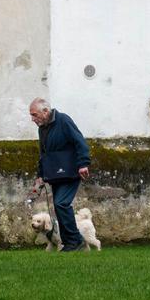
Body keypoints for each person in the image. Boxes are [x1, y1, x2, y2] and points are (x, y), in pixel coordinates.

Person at [29, 98, 91, 252]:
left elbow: (80, 141)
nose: (32, 119)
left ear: (45, 111)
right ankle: (70, 243)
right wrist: (41, 175)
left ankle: (75, 241)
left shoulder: (63, 120)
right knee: (58, 206)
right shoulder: (42, 128)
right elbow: (43, 153)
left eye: (34, 115)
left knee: (62, 203)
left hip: (70, 171)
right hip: (54, 174)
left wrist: (83, 163)